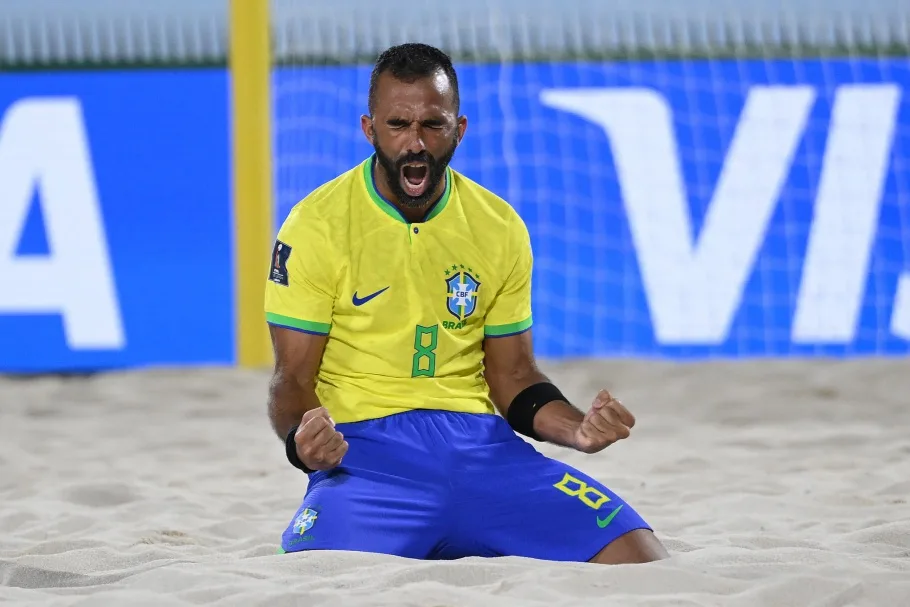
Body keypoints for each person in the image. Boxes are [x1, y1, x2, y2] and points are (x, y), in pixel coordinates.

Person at [264, 42, 669, 565]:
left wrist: (577, 429)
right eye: (397, 124)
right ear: (369, 130)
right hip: (367, 459)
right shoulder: (315, 225)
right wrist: (302, 442)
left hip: (485, 450)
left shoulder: (498, 226)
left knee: (642, 561)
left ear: (459, 129)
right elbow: (292, 380)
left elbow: (514, 376)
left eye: (433, 125)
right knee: (309, 583)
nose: (415, 142)